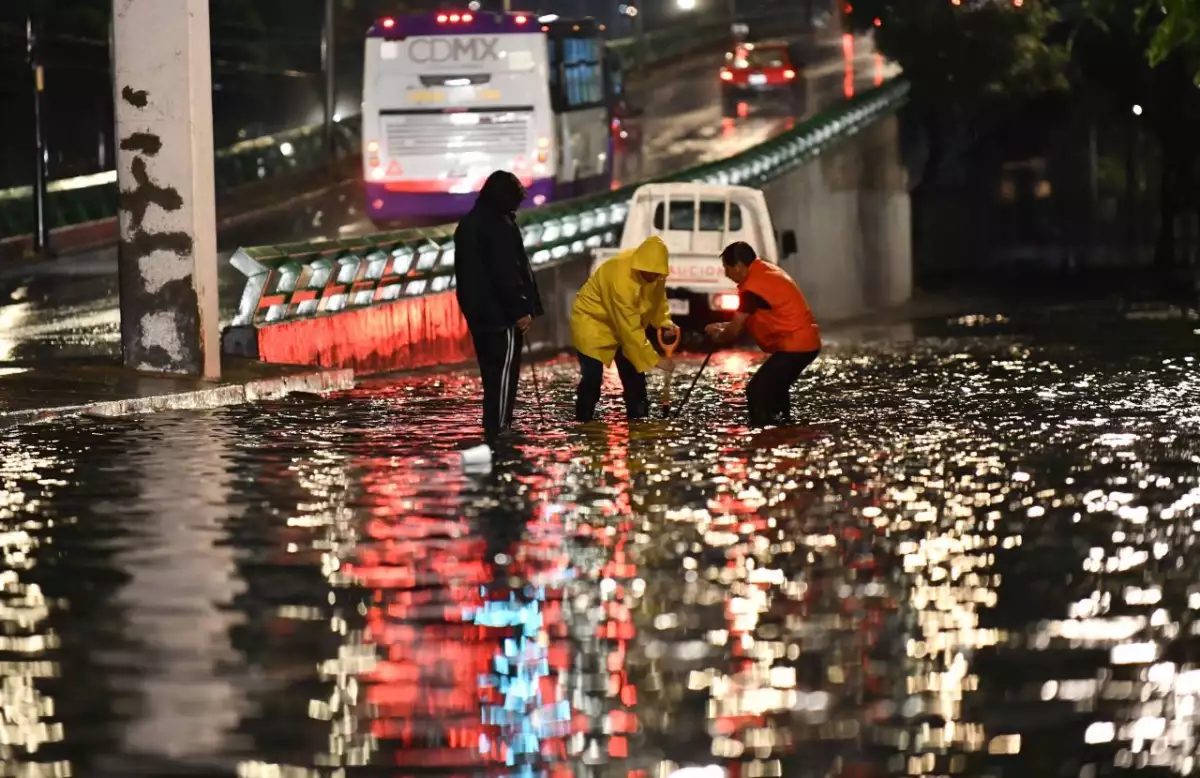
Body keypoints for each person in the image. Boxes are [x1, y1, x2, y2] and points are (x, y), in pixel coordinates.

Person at [453, 170, 543, 439]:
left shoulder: (468, 224)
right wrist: (520, 309)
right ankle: (500, 426)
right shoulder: (499, 225)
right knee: (504, 374)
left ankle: (493, 425)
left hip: (477, 313)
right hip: (501, 315)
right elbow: (506, 273)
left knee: (490, 374)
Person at [704, 241, 821, 426]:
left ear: (740, 266)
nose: (726, 274)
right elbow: (745, 321)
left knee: (757, 392)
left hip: (795, 345)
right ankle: (784, 431)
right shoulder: (765, 272)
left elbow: (734, 329)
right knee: (776, 389)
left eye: (727, 268)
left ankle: (763, 435)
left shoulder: (752, 288)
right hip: (805, 343)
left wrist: (719, 335)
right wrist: (720, 326)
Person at [571, 235, 679, 422]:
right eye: (650, 274)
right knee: (592, 380)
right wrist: (656, 360)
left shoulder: (656, 273)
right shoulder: (620, 277)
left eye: (657, 274)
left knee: (635, 381)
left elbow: (657, 301)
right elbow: (629, 329)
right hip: (593, 322)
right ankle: (583, 424)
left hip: (625, 326)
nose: (654, 277)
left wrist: (664, 322)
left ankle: (639, 425)